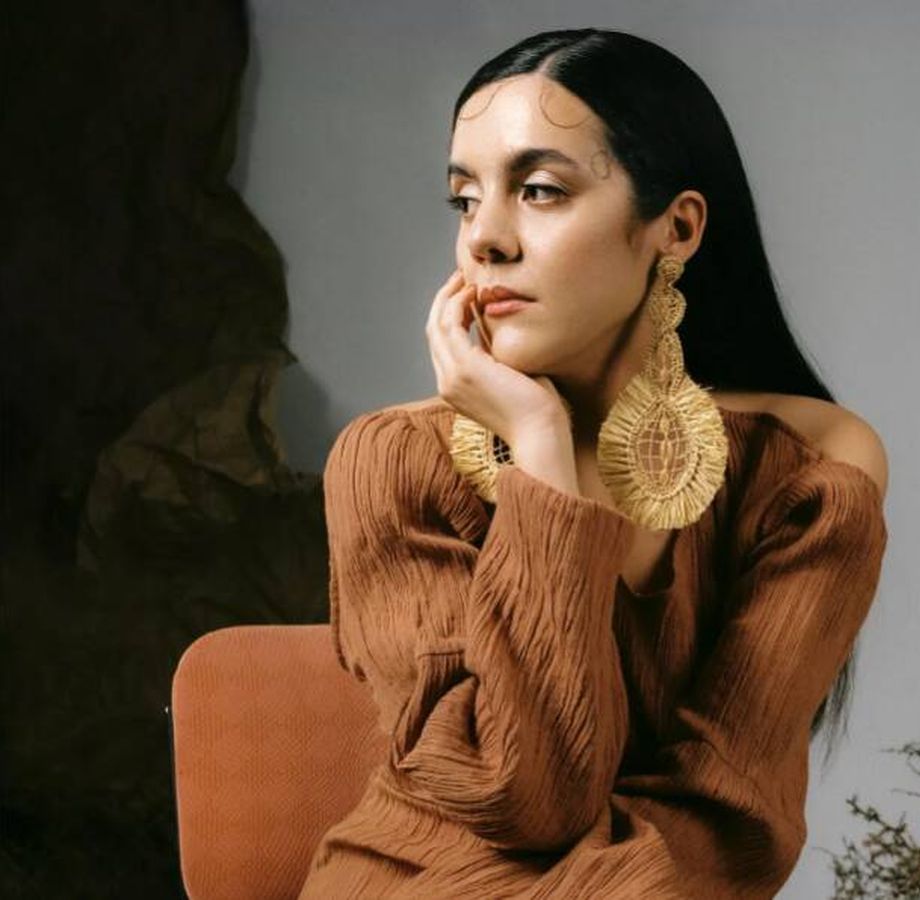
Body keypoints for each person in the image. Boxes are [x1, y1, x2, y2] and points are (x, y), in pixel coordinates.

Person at [299, 27, 889, 899]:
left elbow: (729, 820)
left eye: (539, 191)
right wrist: (539, 449)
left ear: (676, 228)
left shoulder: (806, 474)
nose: (485, 239)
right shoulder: (393, 462)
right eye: (465, 199)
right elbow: (524, 793)